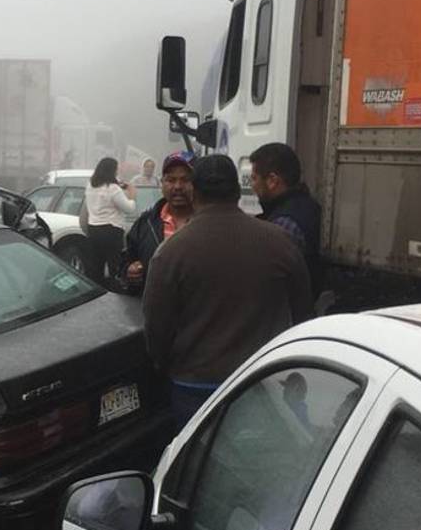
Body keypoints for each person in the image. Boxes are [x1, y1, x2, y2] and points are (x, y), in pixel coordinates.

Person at [143, 154, 313, 431]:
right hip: (263, 382)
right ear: (237, 192)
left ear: (194, 193)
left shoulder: (170, 253)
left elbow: (157, 328)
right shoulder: (280, 242)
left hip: (195, 387)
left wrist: (166, 365)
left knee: (200, 467)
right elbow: (303, 315)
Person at [249, 143, 323, 291]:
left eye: (254, 178)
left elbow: (268, 281)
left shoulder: (285, 225)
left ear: (272, 181)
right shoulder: (308, 205)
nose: (252, 185)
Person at [119, 151, 195, 294]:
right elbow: (125, 265)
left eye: (185, 180)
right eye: (171, 180)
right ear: (162, 183)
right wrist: (129, 272)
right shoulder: (145, 223)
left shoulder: (208, 224)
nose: (178, 186)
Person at [84, 157, 136, 287]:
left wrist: (120, 184)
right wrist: (132, 195)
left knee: (96, 265)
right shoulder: (113, 189)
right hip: (111, 230)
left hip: (93, 229)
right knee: (115, 265)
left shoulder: (90, 185)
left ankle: (96, 292)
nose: (117, 172)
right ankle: (115, 291)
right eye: (116, 169)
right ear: (111, 171)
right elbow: (129, 209)